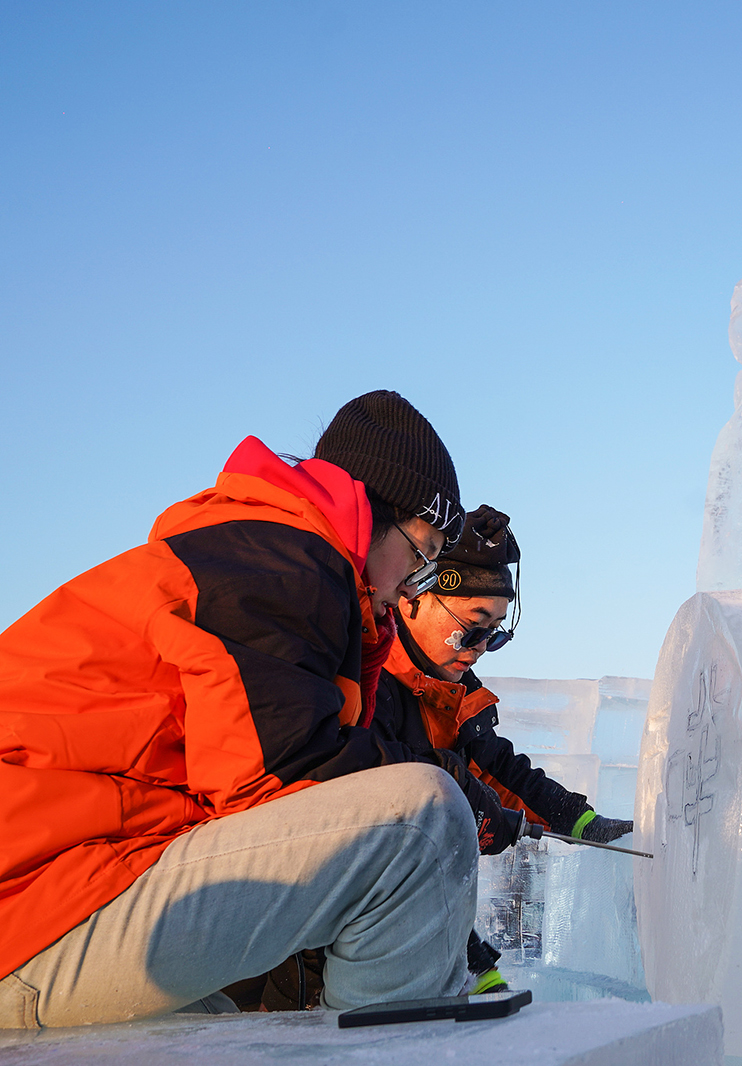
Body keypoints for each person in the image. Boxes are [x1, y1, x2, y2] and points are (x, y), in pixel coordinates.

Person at [0, 390, 496, 1028]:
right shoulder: (285, 564)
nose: (413, 582)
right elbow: (275, 778)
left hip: (53, 892)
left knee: (216, 1032)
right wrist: (455, 785)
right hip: (32, 909)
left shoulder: (249, 551)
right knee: (423, 823)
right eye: (422, 552)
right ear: (372, 512)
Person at [376, 503, 632, 851]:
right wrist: (454, 792)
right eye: (472, 627)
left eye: (495, 634)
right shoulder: (368, 679)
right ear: (413, 599)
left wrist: (581, 823)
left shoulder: (458, 701)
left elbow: (503, 774)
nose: (480, 646)